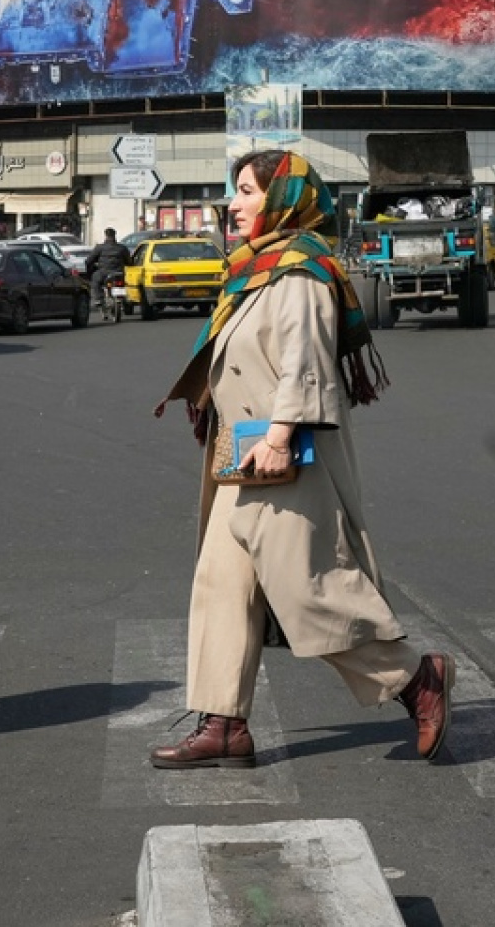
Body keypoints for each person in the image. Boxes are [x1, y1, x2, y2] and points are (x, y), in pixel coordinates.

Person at [150, 150, 454, 769]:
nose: (232, 204)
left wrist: (283, 433)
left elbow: (305, 361)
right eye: (234, 192)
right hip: (244, 453)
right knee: (222, 584)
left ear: (283, 199)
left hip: (286, 453)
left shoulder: (299, 271)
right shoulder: (256, 270)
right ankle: (224, 723)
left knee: (307, 584)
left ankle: (417, 678)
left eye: (246, 192)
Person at [84, 227, 130, 307]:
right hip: (119, 273)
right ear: (115, 236)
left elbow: (89, 261)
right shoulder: (122, 248)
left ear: (106, 236)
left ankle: (99, 299)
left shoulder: (99, 248)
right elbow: (129, 261)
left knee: (95, 280)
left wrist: (90, 269)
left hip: (103, 273)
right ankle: (123, 300)